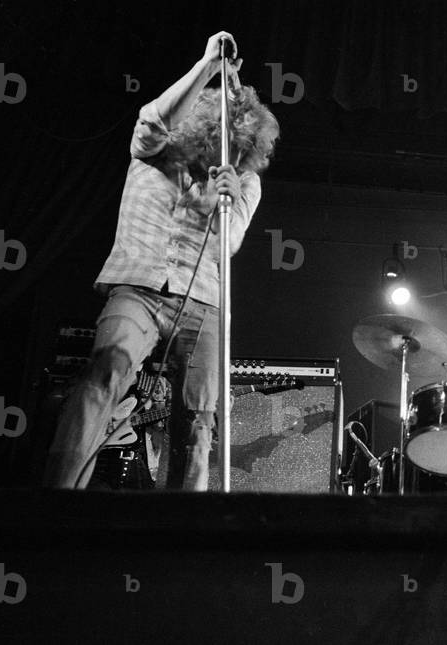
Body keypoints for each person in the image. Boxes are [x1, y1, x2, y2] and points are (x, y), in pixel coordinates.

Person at [44, 32, 280, 490]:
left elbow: (229, 245)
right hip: (138, 285)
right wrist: (209, 65)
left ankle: (185, 525)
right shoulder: (156, 150)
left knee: (198, 415)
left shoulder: (244, 181)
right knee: (106, 373)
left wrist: (222, 205)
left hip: (204, 301)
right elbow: (151, 118)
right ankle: (58, 498)